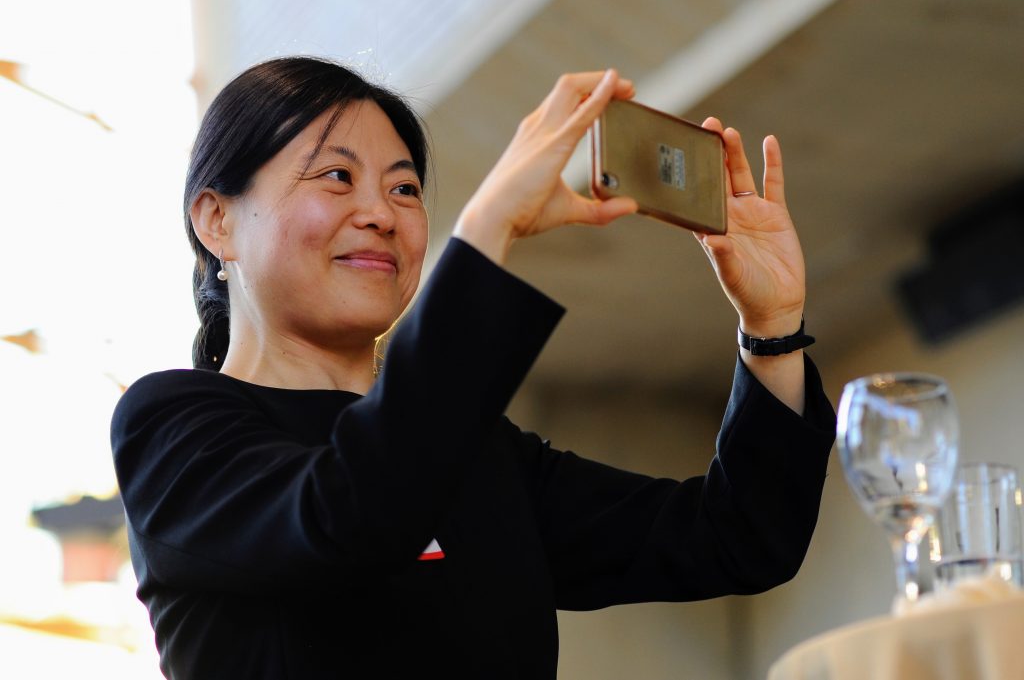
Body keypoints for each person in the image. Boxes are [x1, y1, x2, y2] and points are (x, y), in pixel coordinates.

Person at [111, 56, 836, 679]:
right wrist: (489, 229)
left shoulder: (481, 455)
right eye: (337, 176)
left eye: (403, 188)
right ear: (217, 220)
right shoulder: (171, 428)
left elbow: (736, 536)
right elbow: (349, 515)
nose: (381, 213)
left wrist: (772, 325)